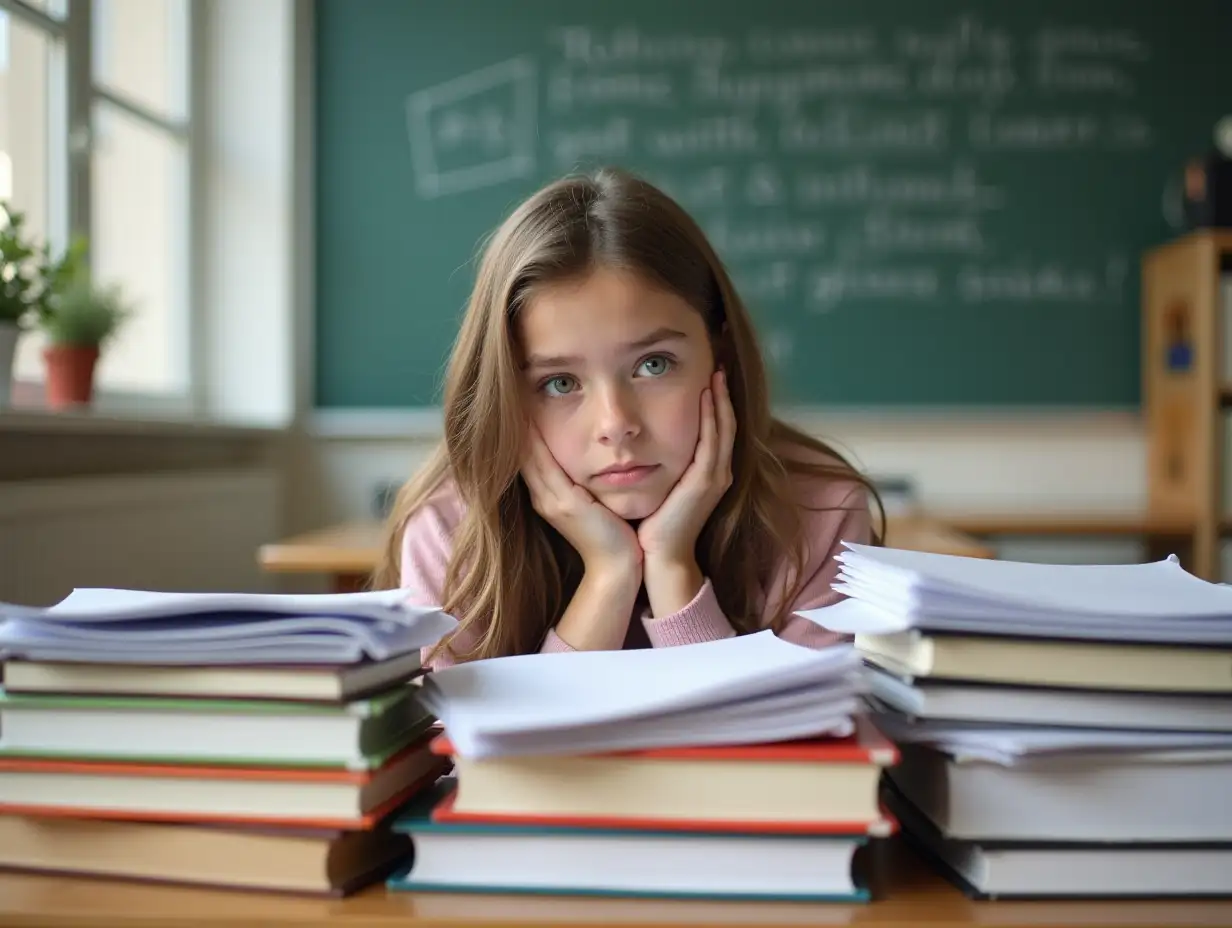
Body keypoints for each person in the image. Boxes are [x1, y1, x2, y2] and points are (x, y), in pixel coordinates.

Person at [371, 167, 882, 669]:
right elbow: (477, 754)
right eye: (560, 383)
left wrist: (672, 567)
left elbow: (790, 750)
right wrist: (610, 576)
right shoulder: (452, 531)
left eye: (652, 365)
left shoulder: (821, 513)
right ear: (507, 394)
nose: (616, 424)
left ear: (719, 352)